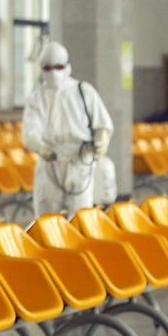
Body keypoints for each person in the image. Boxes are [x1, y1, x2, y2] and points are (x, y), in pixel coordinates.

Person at [22, 41, 114, 217]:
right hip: (50, 164)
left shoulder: (84, 92)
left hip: (80, 162)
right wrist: (40, 147)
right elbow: (30, 131)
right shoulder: (37, 99)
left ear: (66, 66)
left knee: (81, 219)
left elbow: (103, 123)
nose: (53, 72)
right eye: (47, 68)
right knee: (46, 219)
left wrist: (102, 141)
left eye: (58, 66)